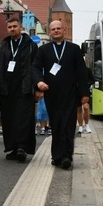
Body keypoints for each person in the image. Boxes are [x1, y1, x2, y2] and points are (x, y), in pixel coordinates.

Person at [35, 20, 89, 170]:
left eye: (59, 28)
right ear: (50, 32)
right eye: (53, 29)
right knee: (56, 124)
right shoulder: (44, 50)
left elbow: (81, 72)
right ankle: (56, 156)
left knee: (68, 125)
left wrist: (85, 93)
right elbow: (36, 68)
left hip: (71, 94)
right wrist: (39, 82)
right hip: (52, 94)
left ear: (64, 30)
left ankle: (66, 156)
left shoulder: (74, 49)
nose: (56, 31)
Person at [0, 16, 39, 163]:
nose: (12, 29)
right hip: (7, 88)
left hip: (24, 88)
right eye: (9, 27)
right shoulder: (3, 45)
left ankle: (22, 148)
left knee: (23, 119)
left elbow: (36, 67)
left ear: (21, 27)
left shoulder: (31, 45)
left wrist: (37, 87)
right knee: (9, 119)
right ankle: (12, 147)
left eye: (15, 26)